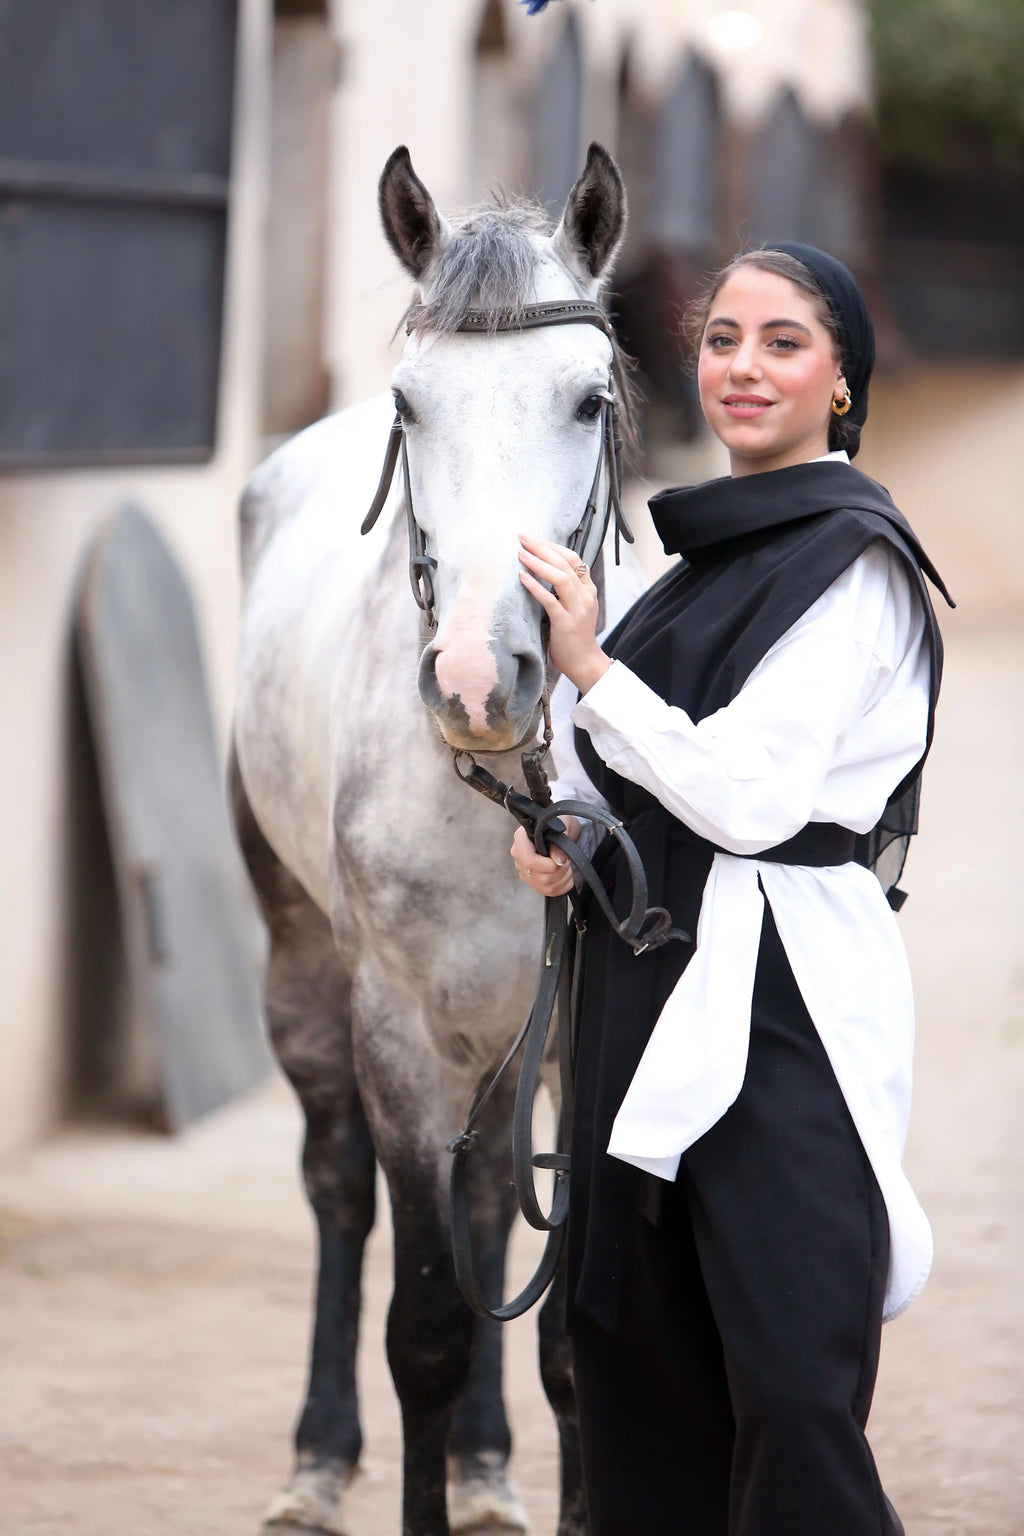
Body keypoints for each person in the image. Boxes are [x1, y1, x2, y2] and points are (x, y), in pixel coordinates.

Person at [511, 244, 953, 1536]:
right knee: (641, 1380)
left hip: (783, 1008)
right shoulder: (688, 566)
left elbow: (752, 794)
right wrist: (566, 838)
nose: (742, 367)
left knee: (792, 1388)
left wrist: (590, 668)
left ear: (842, 384)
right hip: (645, 993)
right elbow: (623, 775)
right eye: (720, 339)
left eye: (781, 342)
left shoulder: (856, 567)